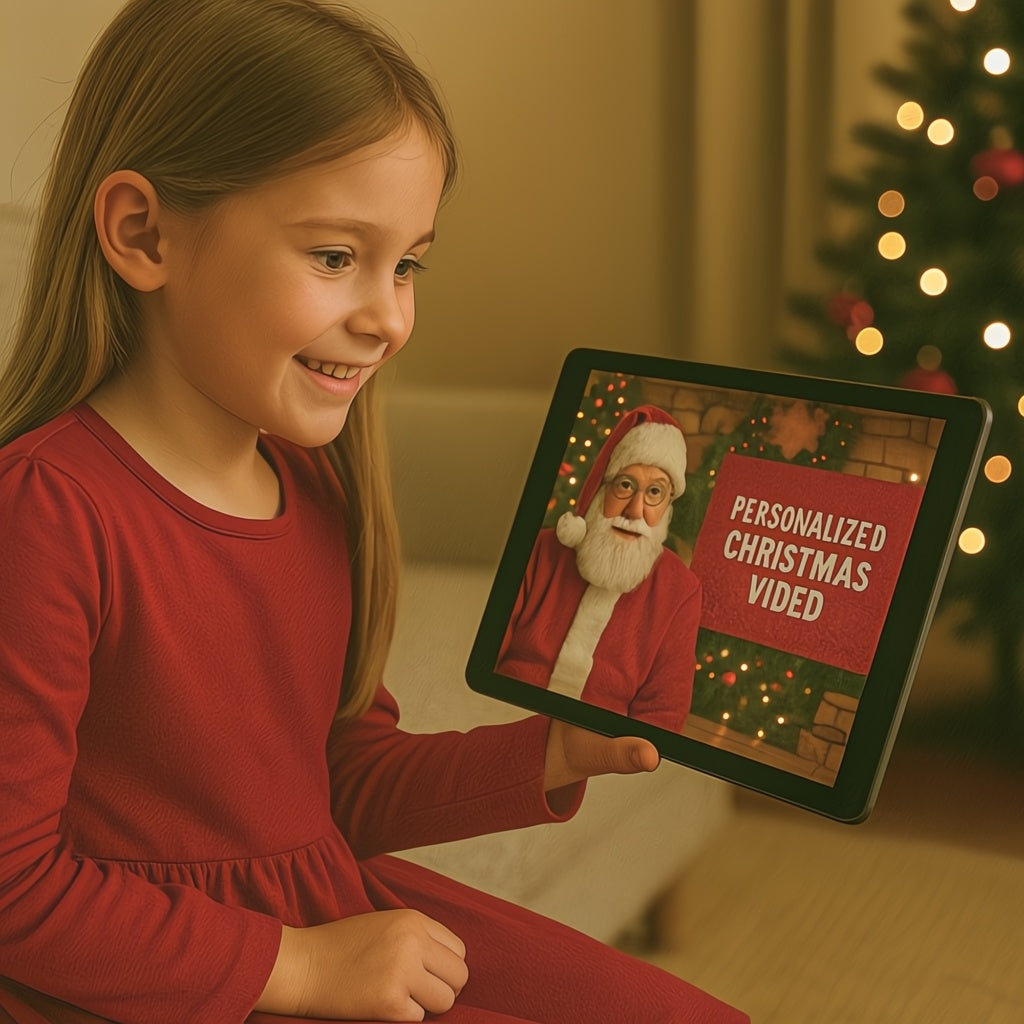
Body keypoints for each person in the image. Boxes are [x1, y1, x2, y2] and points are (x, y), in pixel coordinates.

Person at [0, 2, 747, 1021]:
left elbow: (340, 779)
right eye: (335, 256)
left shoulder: (314, 486)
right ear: (142, 233)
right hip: (173, 974)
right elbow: (13, 889)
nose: (389, 316)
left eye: (407, 264)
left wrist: (548, 753)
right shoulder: (47, 511)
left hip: (325, 912)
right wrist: (301, 967)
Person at [497, 406, 701, 732]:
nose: (636, 510)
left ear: (667, 507)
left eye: (654, 492)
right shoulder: (542, 549)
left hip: (595, 749)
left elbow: (663, 716)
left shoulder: (680, 589)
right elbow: (486, 657)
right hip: (502, 718)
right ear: (600, 490)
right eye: (624, 485)